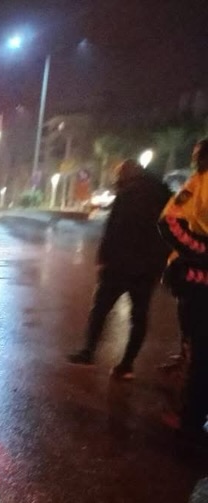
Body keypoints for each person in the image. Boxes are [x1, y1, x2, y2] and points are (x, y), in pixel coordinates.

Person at [66, 160, 172, 379]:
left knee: (101, 309)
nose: (116, 180)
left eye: (118, 175)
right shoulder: (163, 193)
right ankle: (127, 365)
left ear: (125, 175)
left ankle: (88, 352)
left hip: (120, 264)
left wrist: (104, 258)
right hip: (148, 266)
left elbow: (114, 228)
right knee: (139, 315)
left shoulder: (128, 193)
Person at [158, 137, 208, 443]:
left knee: (200, 350)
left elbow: (168, 222)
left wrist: (200, 252)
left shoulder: (201, 182)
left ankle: (190, 418)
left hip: (200, 281)